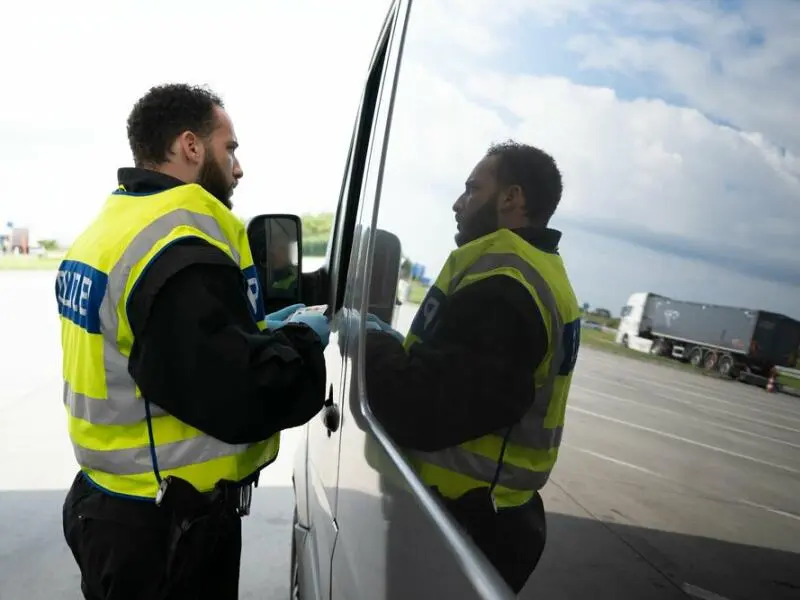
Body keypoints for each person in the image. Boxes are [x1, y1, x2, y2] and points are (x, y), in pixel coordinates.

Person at [58, 83, 330, 600]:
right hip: (166, 530)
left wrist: (260, 331)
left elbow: (159, 347)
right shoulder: (181, 234)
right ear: (190, 146)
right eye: (230, 148)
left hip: (110, 504)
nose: (238, 166)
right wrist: (303, 341)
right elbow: (236, 392)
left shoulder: (111, 226)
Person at [365, 141, 581, 593]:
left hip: (464, 521)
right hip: (487, 514)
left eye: (471, 189)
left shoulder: (505, 281)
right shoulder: (541, 271)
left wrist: (370, 341)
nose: (457, 203)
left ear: (511, 198)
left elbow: (420, 409)